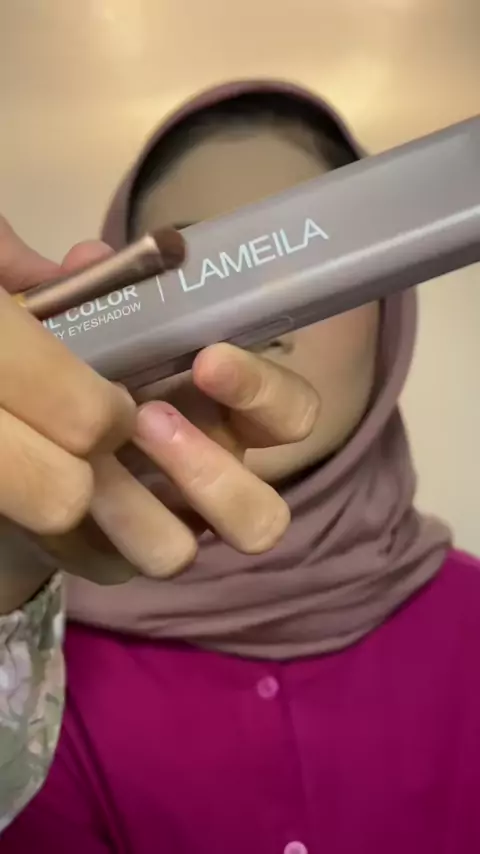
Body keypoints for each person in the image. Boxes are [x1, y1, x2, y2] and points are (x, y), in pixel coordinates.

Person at [2, 80, 480, 853]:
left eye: (315, 249)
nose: (258, 319)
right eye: (204, 267)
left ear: (392, 311)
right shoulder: (29, 643)